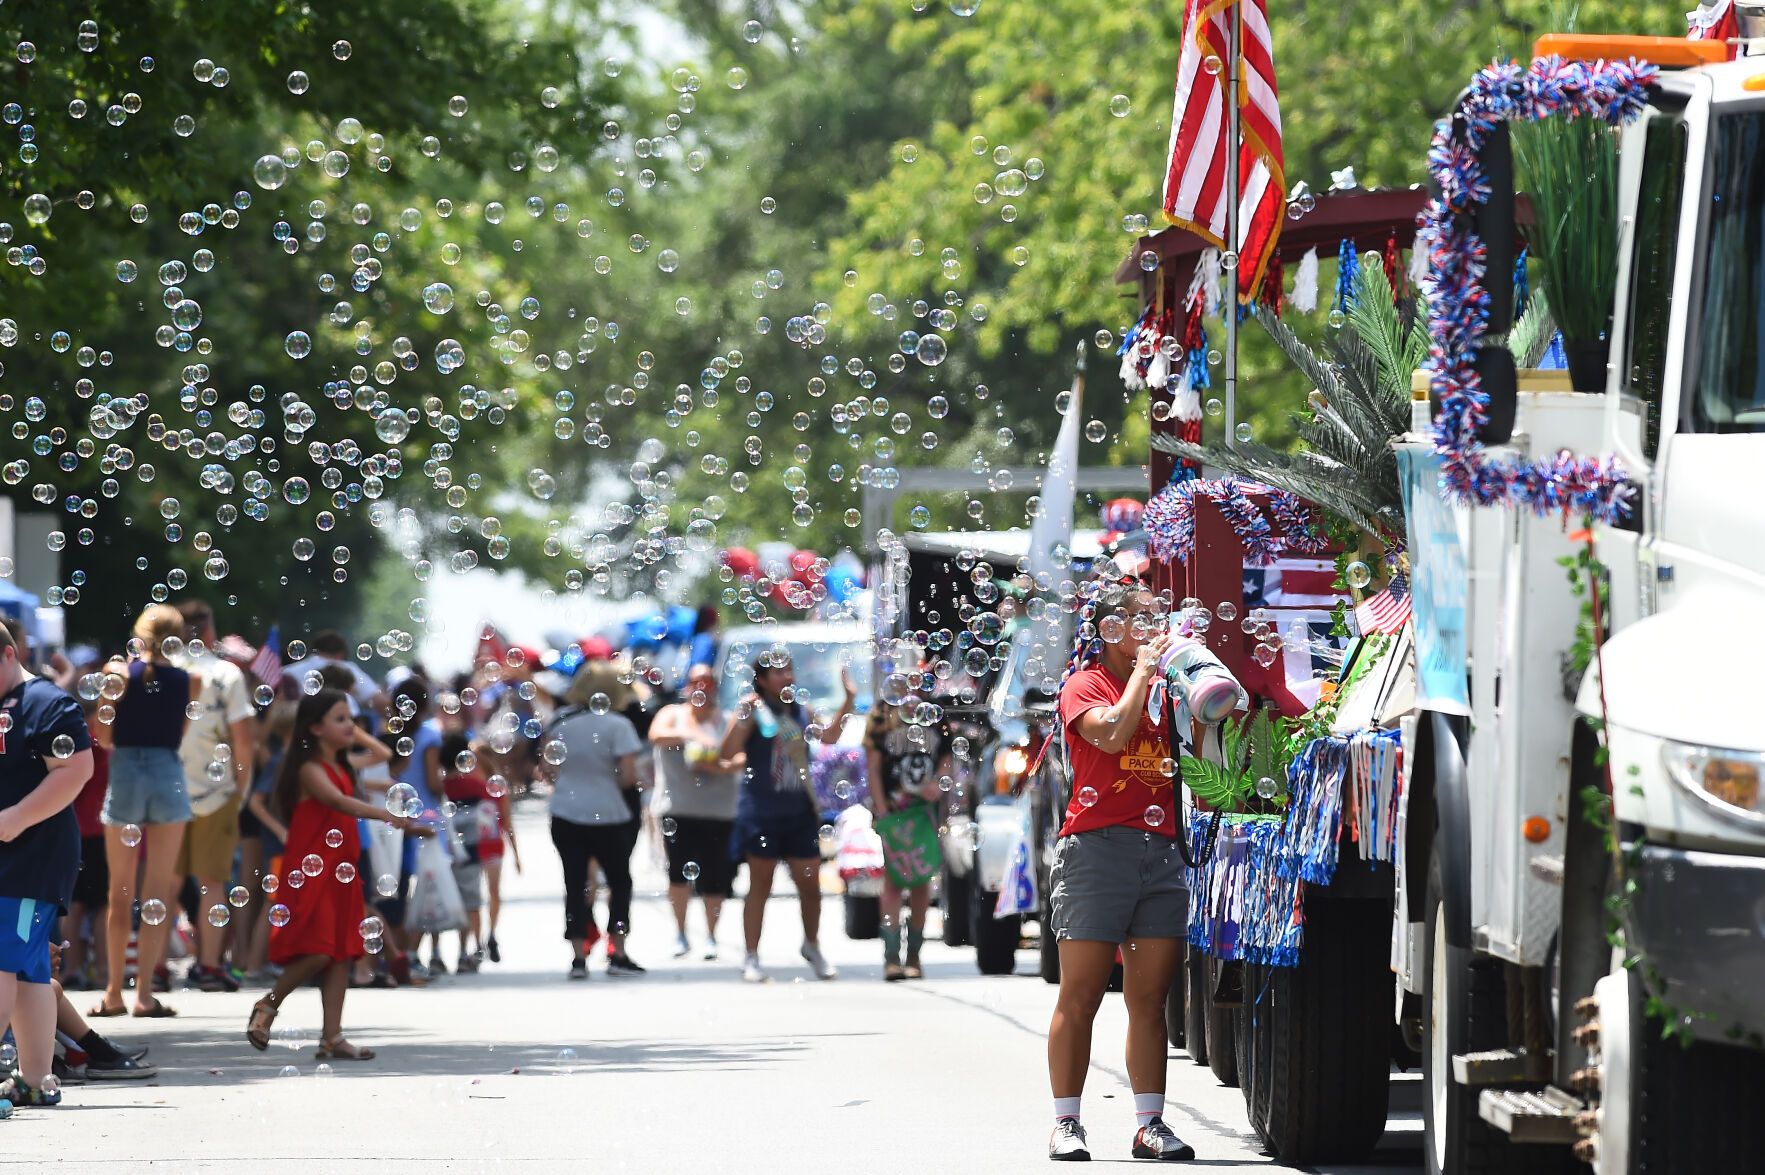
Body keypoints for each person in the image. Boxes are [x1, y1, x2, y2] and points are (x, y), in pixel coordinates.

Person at [1046, 581, 1201, 1162]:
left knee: (1150, 998)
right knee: (1081, 993)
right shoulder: (1084, 684)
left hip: (1158, 850)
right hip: (1095, 851)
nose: (1152, 625)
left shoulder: (1165, 685)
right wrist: (1142, 672)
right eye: (1140, 617)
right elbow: (1110, 735)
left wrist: (1200, 693)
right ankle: (1067, 1121)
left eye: (1155, 616)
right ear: (1109, 628)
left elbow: (1205, 752)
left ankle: (1149, 1124)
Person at [245, 688, 428, 1061]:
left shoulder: (342, 763)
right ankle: (269, 1004)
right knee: (319, 949)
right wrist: (386, 814)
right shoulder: (309, 768)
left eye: (351, 718)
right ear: (314, 728)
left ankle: (333, 1037)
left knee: (342, 951)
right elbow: (337, 802)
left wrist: (347, 727)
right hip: (314, 868)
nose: (351, 725)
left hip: (339, 868)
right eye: (340, 719)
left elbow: (382, 755)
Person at [0, 620, 96, 1109]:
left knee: (0, 962)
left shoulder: (47, 703)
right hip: (16, 861)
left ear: (8, 654)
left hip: (28, 860)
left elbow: (78, 768)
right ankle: (35, 1078)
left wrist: (13, 820)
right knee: (32, 972)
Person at [718, 650, 854, 983]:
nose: (786, 678)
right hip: (761, 811)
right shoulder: (752, 712)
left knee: (810, 884)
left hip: (798, 811)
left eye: (789, 671)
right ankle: (751, 956)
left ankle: (811, 945)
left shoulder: (801, 710)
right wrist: (743, 716)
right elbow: (726, 752)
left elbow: (831, 737)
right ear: (761, 681)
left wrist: (849, 699)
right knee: (759, 884)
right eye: (778, 673)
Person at [91, 605, 200, 1020]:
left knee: (119, 894)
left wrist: (112, 684)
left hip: (126, 773)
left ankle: (114, 991)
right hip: (168, 773)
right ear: (178, 636)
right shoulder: (190, 680)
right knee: (159, 894)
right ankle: (145, 993)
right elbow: (181, 731)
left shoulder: (120, 676)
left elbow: (103, 736)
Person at [172, 600, 256, 993]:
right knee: (213, 884)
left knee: (165, 881)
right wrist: (240, 790)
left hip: (166, 788)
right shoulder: (227, 674)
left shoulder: (162, 671)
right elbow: (242, 740)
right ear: (208, 632)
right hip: (215, 791)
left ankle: (154, 968)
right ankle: (208, 965)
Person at [545, 661, 644, 979]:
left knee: (574, 883)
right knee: (619, 882)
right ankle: (618, 951)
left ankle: (578, 957)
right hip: (610, 814)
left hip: (566, 813)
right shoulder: (619, 725)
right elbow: (628, 777)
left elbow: (549, 772)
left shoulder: (560, 724)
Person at [648, 664, 741, 961]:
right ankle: (680, 932)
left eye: (707, 681)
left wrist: (715, 764)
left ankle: (712, 936)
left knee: (716, 876)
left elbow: (741, 755)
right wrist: (694, 736)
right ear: (687, 686)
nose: (702, 687)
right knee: (678, 873)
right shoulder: (671, 715)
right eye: (695, 681)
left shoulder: (726, 719)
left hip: (719, 809)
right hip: (678, 808)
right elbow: (656, 735)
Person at [864, 694, 952, 981]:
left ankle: (914, 954)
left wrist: (938, 783)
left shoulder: (934, 710)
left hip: (924, 812)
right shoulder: (882, 711)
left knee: (921, 880)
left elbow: (947, 757)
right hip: (893, 810)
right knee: (892, 880)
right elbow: (873, 767)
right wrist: (880, 809)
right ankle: (891, 957)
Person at [58, 696, 110, 991]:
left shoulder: (74, 742)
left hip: (74, 830)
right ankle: (103, 971)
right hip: (97, 832)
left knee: (74, 905)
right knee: (102, 906)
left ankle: (73, 969)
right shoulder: (96, 741)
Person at [438, 731, 488, 972]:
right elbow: (488, 818)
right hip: (470, 852)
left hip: (442, 850)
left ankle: (435, 954)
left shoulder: (438, 787)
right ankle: (464, 952)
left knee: (435, 901)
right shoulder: (476, 785)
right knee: (470, 902)